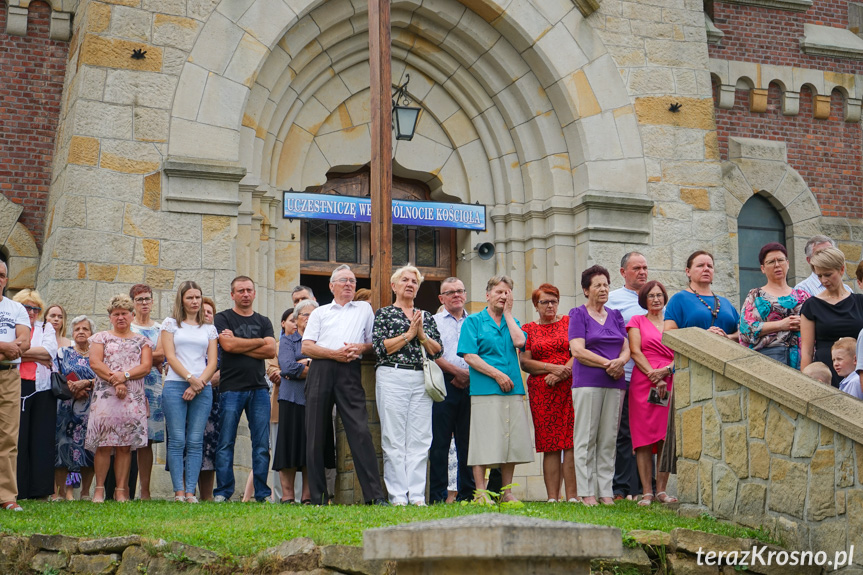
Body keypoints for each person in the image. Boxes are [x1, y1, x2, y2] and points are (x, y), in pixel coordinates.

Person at [302, 264, 387, 505]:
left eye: (352, 280)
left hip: (350, 370)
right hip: (320, 369)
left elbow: (372, 344)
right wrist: (333, 354)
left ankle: (374, 496)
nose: (349, 284)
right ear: (332, 286)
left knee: (360, 431)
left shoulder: (364, 309)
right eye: (343, 280)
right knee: (315, 433)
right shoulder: (319, 312)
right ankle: (317, 498)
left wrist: (359, 347)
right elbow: (306, 347)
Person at [458, 275, 533, 505]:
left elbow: (520, 343)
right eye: (499, 292)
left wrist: (508, 314)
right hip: (485, 389)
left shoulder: (514, 321)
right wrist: (497, 374)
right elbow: (470, 355)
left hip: (513, 390)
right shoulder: (474, 322)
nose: (504, 296)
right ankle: (481, 492)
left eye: (508, 292)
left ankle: (506, 492)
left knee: (509, 441)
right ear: (487, 295)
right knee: (483, 440)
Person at [372, 265, 443, 506]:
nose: (410, 284)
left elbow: (437, 350)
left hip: (420, 379)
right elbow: (381, 348)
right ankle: (398, 497)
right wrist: (409, 335)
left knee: (421, 439)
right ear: (394, 286)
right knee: (393, 438)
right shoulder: (384, 314)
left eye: (414, 281)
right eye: (405, 280)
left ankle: (416, 496)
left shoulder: (426, 316)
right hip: (392, 377)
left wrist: (421, 334)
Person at [569, 266, 630, 507]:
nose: (603, 288)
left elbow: (626, 347)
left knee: (608, 438)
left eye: (606, 284)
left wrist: (621, 362)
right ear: (586, 290)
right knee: (586, 437)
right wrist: (609, 363)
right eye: (598, 285)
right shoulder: (578, 314)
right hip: (587, 382)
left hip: (615, 383)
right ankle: (586, 492)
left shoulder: (615, 315)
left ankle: (605, 491)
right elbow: (578, 351)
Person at [213, 276, 276, 502]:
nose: (245, 294)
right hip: (231, 387)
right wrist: (259, 341)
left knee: (260, 444)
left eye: (249, 290)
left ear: (255, 293)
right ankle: (223, 492)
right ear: (232, 294)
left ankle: (261, 494)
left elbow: (271, 352)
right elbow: (227, 345)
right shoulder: (223, 318)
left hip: (259, 388)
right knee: (226, 442)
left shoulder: (263, 320)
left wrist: (239, 345)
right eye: (240, 291)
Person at [87, 295, 152, 503]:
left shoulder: (142, 341)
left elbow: (145, 367)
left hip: (132, 396)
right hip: (106, 394)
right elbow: (95, 362)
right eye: (116, 314)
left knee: (125, 445)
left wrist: (124, 377)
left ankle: (121, 490)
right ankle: (98, 490)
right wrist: (116, 382)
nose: (120, 317)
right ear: (110, 317)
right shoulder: (100, 338)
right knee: (104, 443)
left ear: (132, 316)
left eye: (124, 313)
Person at [161, 281, 219, 503]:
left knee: (195, 441)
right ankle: (178, 492)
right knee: (177, 440)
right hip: (176, 384)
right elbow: (171, 357)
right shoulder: (170, 324)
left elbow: (212, 362)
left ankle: (190, 493)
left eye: (198, 297)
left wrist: (198, 384)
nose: (195, 301)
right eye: (190, 297)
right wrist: (189, 380)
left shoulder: (209, 329)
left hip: (202, 388)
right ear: (182, 300)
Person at [520, 283, 576, 503]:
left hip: (569, 386)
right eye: (545, 302)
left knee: (570, 442)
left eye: (554, 301)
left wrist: (563, 372)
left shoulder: (569, 323)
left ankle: (572, 496)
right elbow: (525, 362)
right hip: (542, 390)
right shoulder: (528, 329)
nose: (550, 305)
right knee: (549, 443)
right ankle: (553, 497)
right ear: (536, 305)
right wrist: (551, 369)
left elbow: (577, 352)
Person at [627, 281, 676, 506]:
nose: (656, 299)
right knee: (644, 438)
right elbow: (635, 351)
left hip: (670, 379)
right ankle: (646, 491)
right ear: (644, 299)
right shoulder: (637, 321)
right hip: (644, 382)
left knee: (665, 436)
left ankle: (661, 490)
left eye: (659, 295)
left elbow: (680, 351)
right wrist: (653, 375)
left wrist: (665, 372)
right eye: (651, 296)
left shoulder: (672, 322)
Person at [605, 252, 649, 501]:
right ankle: (620, 487)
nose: (642, 272)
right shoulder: (613, 300)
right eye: (636, 268)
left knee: (648, 432)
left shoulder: (656, 299)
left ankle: (646, 487)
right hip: (624, 374)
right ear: (623, 272)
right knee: (623, 432)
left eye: (645, 268)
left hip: (650, 377)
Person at [430, 277, 475, 503]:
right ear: (441, 298)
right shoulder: (433, 321)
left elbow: (481, 352)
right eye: (450, 292)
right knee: (440, 442)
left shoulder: (475, 321)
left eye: (460, 291)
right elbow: (432, 354)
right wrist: (457, 373)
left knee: (468, 442)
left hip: (472, 383)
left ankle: (468, 494)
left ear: (465, 294)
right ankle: (438, 495)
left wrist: (467, 375)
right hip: (444, 383)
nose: (456, 295)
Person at [274, 300, 320, 504]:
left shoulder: (322, 341)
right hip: (291, 399)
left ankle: (308, 497)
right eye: (305, 315)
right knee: (288, 447)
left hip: (315, 399)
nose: (309, 319)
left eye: (313, 315)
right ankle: (288, 496)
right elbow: (287, 368)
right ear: (296, 319)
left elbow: (325, 367)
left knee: (310, 448)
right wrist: (315, 368)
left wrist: (305, 363)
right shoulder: (287, 341)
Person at [13, 289, 58, 501]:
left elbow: (49, 352)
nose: (31, 312)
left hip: (42, 389)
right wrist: (35, 355)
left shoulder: (46, 327)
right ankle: (17, 490)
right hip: (15, 385)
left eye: (35, 308)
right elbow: (5, 353)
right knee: (18, 440)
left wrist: (18, 353)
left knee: (41, 440)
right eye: (26, 307)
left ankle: (39, 491)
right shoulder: (10, 328)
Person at [739, 243, 809, 368]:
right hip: (769, 357)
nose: (777, 265)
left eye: (780, 260)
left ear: (787, 263)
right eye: (771, 262)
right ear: (763, 268)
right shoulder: (756, 295)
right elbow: (745, 330)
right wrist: (781, 325)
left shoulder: (803, 296)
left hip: (803, 357)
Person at [800, 247, 863, 387]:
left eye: (828, 274)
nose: (823, 280)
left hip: (857, 372)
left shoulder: (860, 302)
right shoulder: (811, 306)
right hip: (825, 374)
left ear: (841, 269)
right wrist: (805, 384)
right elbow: (807, 351)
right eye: (819, 276)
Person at [128, 284, 165, 500]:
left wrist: (140, 354)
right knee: (127, 436)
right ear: (133, 302)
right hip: (131, 383)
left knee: (147, 439)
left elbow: (163, 355)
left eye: (147, 299)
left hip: (153, 386)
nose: (144, 303)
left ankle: (145, 490)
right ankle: (123, 487)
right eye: (140, 299)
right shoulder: (128, 327)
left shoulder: (160, 329)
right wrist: (151, 356)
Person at [54, 316, 97, 501]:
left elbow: (104, 377)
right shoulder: (63, 352)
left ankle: (84, 492)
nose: (81, 331)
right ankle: (62, 491)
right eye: (77, 328)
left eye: (85, 329)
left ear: (91, 333)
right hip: (66, 408)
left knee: (86, 452)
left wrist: (86, 384)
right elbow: (55, 376)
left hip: (91, 409)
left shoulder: (98, 354)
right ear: (72, 333)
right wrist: (73, 390)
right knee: (64, 451)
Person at [0, 261, 31, 511]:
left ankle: (7, 496)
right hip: (8, 360)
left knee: (8, 437)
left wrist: (10, 350)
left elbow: (24, 341)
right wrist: (4, 348)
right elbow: (13, 346)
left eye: (2, 275)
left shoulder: (16, 308)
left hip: (9, 376)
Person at [664, 251, 740, 339]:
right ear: (688, 271)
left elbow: (743, 332)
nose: (706, 269)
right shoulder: (679, 299)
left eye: (710, 266)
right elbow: (668, 333)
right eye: (700, 265)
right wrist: (702, 336)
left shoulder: (725, 302)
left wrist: (728, 337)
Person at [198, 297, 221, 501]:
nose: (206, 314)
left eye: (209, 312)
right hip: (186, 395)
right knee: (189, 444)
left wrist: (202, 382)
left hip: (213, 400)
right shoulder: (182, 335)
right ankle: (187, 492)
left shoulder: (218, 341)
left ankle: (207, 496)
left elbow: (223, 369)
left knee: (209, 447)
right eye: (202, 311)